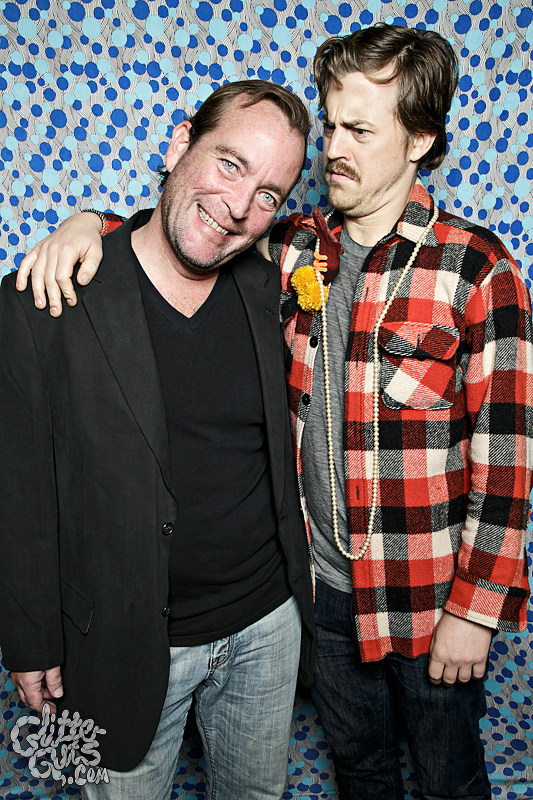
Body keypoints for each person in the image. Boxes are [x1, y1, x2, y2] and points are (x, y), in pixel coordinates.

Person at [15, 24, 533, 800]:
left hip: (424, 599)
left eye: (359, 130)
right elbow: (193, 228)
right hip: (318, 596)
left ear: (420, 140)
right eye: (331, 126)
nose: (334, 150)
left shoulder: (476, 267)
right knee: (360, 770)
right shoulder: (294, 249)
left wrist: (476, 610)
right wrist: (87, 223)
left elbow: (507, 457)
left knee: (448, 778)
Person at [0, 79, 316, 800]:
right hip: (112, 643)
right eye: (229, 164)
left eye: (268, 194)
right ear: (179, 143)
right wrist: (28, 640)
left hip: (267, 627)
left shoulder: (268, 286)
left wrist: (91, 217)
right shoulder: (41, 299)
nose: (238, 206)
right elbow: (17, 491)